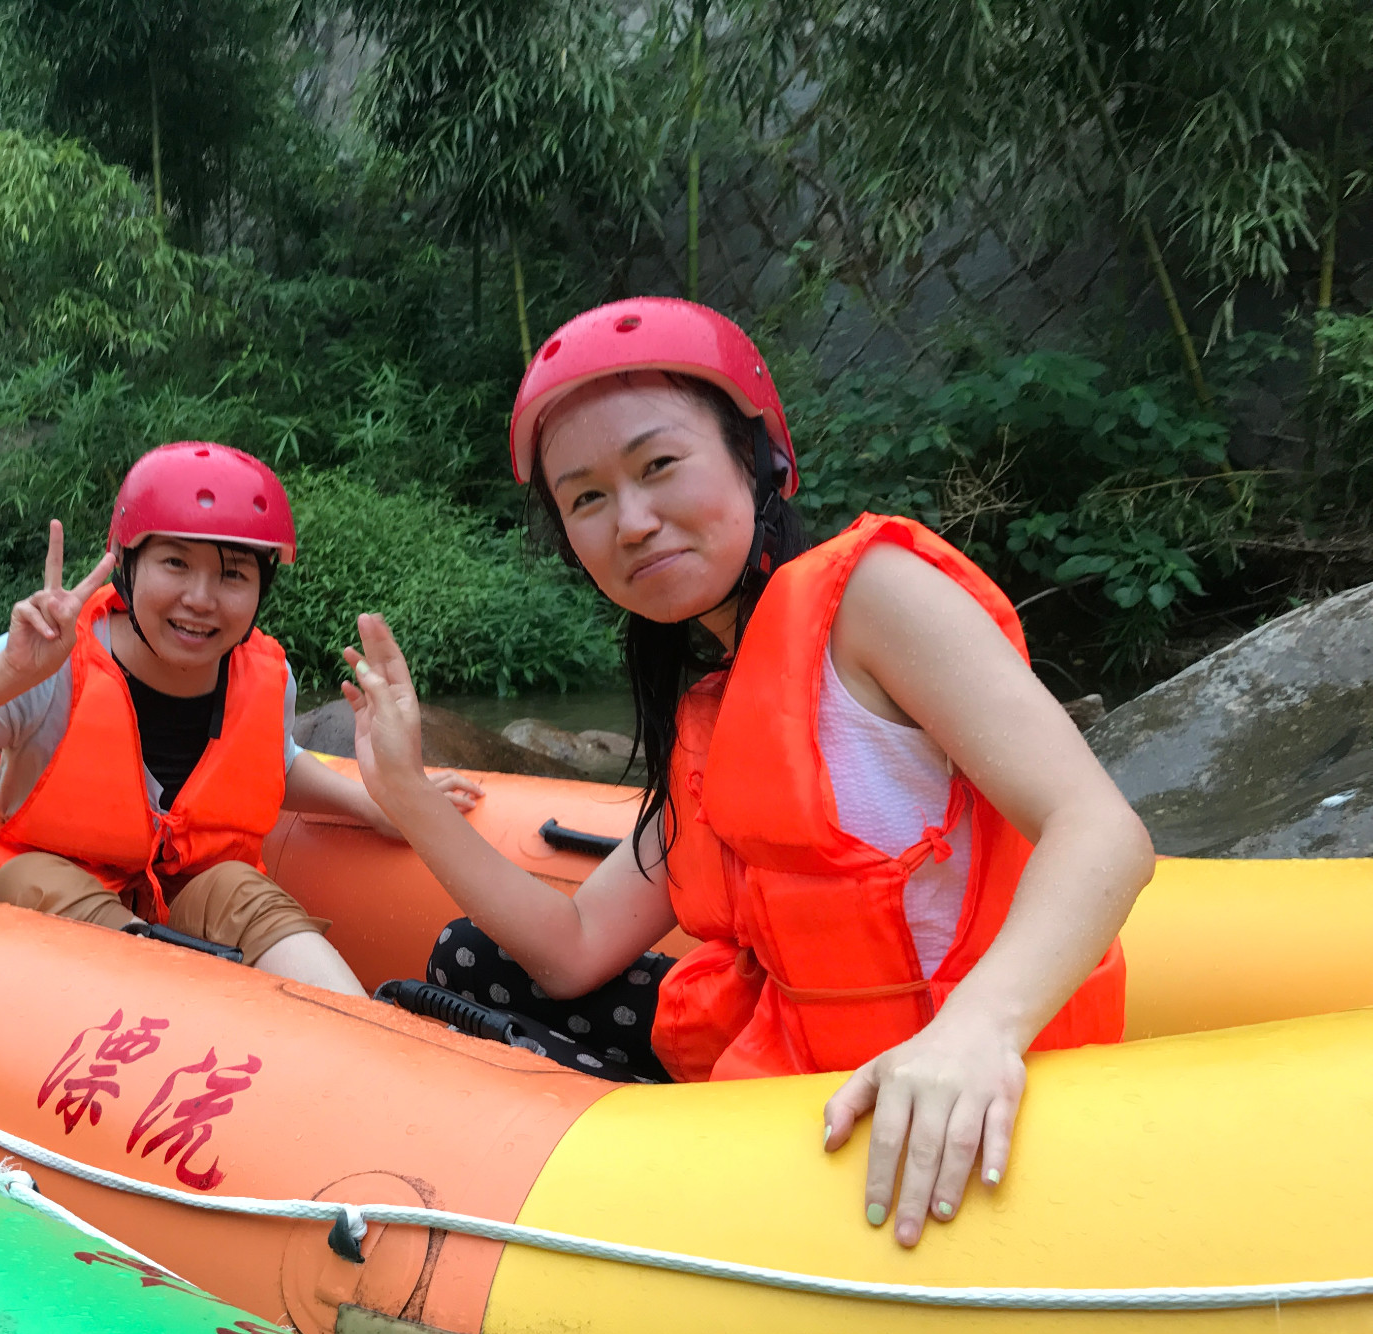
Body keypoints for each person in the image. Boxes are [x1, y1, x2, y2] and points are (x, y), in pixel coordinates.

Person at [344, 298, 1154, 1246]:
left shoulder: (873, 599)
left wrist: (977, 1033)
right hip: (792, 1083)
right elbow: (568, 950)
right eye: (587, 498)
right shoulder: (719, 707)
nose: (634, 522)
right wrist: (405, 792)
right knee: (463, 967)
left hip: (932, 1072)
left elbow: (1101, 830)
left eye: (659, 466)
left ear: (758, 459)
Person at [0, 441, 481, 997]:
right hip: (37, 913)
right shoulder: (44, 662)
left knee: (237, 885)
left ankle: (358, 1034)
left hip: (175, 902)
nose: (200, 600)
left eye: (232, 574)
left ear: (261, 590)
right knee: (40, 877)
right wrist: (8, 675)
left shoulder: (264, 673)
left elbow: (269, 765)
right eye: (175, 563)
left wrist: (376, 803)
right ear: (128, 565)